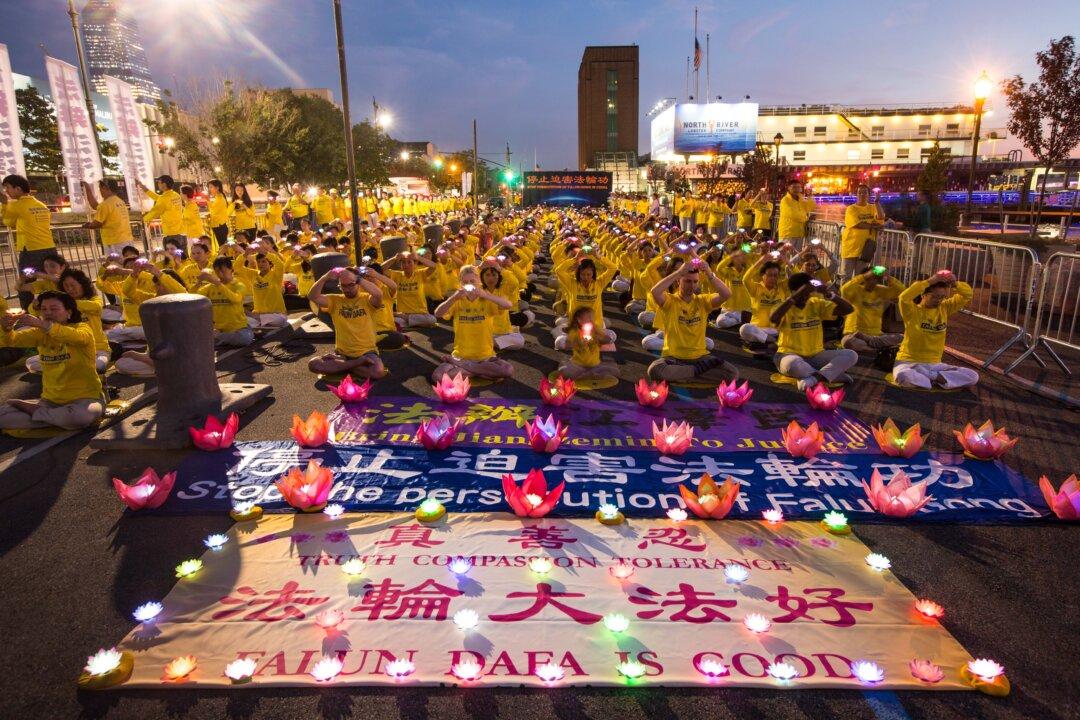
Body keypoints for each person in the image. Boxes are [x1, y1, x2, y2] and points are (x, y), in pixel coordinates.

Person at [0, 291, 103, 430]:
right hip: (50, 401)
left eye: (54, 309)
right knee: (2, 416)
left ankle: (34, 411)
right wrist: (6, 328)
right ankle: (48, 415)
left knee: (80, 417)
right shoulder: (39, 333)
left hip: (85, 399)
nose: (48, 313)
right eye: (44, 309)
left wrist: (44, 325)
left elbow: (77, 337)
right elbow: (11, 341)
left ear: (69, 312)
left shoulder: (82, 328)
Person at [646, 256, 738, 384]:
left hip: (700, 357)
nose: (692, 285)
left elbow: (726, 294)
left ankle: (685, 373)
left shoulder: (703, 301)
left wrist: (710, 274)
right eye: (688, 281)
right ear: (679, 281)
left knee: (732, 373)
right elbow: (655, 291)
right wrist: (678, 272)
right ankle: (695, 372)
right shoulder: (670, 300)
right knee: (655, 370)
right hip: (673, 357)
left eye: (695, 282)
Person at [770, 272, 858, 390]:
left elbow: (848, 309)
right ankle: (831, 375)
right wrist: (795, 296)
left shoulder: (816, 303)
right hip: (789, 355)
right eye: (802, 294)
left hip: (816, 355)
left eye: (808, 294)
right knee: (792, 364)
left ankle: (814, 378)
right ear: (793, 292)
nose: (805, 297)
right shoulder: (783, 305)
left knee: (851, 355)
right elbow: (773, 318)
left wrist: (829, 295)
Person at [893, 270, 979, 389]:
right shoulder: (912, 310)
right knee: (904, 376)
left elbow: (967, 295)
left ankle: (929, 377)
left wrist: (955, 284)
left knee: (973, 376)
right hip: (908, 362)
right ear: (923, 295)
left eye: (942, 297)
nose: (939, 300)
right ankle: (937, 379)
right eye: (935, 296)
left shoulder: (944, 308)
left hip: (934, 364)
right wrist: (930, 281)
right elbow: (903, 297)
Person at [432, 265, 514, 381]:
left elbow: (508, 305)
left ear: (479, 281)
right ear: (460, 283)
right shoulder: (457, 299)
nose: (469, 284)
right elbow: (437, 314)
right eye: (465, 282)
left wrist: (485, 295)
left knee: (507, 370)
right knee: (437, 377)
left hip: (485, 356)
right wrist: (453, 298)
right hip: (461, 355)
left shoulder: (486, 297)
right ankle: (482, 372)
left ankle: (466, 369)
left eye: (472, 281)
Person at [25, 269, 110, 374]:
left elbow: (97, 307)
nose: (69, 289)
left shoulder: (93, 299)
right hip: (68, 352)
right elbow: (33, 310)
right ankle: (71, 369)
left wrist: (65, 302)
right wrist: (35, 306)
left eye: (73, 285)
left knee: (99, 365)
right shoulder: (60, 305)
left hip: (97, 350)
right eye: (66, 286)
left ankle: (66, 369)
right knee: (30, 362)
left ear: (82, 284)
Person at [307, 267, 386, 377]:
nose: (348, 289)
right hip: (342, 354)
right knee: (314, 364)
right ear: (340, 286)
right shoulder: (335, 300)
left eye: (351, 285)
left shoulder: (367, 299)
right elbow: (312, 296)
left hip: (366, 352)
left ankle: (343, 367)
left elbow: (379, 294)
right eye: (344, 286)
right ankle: (355, 364)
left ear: (358, 284)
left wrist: (357, 278)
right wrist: (324, 278)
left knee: (377, 372)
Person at [2, 174, 56, 310]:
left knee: (25, 283)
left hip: (31, 250)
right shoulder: (41, 205)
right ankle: (55, 311)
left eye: (7, 188)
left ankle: (26, 314)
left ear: (18, 189)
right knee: (52, 284)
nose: (6, 191)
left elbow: (7, 221)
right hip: (50, 248)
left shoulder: (17, 205)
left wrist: (4, 204)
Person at [840, 268, 905, 356]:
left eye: (876, 279)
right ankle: (877, 350)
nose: (874, 282)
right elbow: (844, 289)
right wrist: (865, 275)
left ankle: (871, 346)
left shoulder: (880, 290)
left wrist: (888, 277)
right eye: (871, 278)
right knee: (848, 341)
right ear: (865, 279)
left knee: (902, 338)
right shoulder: (856, 290)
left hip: (876, 336)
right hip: (855, 334)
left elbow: (901, 291)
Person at [195, 257, 254, 347]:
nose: (220, 275)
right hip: (220, 329)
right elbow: (194, 295)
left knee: (243, 338)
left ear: (232, 270)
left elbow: (235, 299)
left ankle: (220, 338)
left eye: (223, 271)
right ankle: (222, 338)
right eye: (217, 272)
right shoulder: (210, 287)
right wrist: (198, 282)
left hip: (238, 329)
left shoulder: (239, 285)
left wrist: (218, 283)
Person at [558, 306, 619, 380]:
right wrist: (579, 342)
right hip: (578, 364)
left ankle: (586, 375)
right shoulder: (574, 332)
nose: (591, 319)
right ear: (578, 319)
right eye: (588, 317)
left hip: (595, 364)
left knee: (614, 371)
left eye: (592, 317)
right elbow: (567, 346)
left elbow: (608, 340)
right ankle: (589, 375)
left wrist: (598, 337)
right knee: (564, 371)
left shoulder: (595, 330)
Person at [840, 184, 885, 280]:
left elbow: (881, 218)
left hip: (866, 249)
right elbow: (857, 224)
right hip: (850, 248)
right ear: (856, 195)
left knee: (860, 278)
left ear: (869, 194)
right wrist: (874, 226)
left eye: (865, 192)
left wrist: (877, 202)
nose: (862, 194)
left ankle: (857, 295)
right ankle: (844, 295)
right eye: (859, 192)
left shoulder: (873, 207)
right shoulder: (851, 209)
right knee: (846, 277)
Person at [479, 258, 525, 351]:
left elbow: (515, 282)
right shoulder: (478, 290)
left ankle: (489, 342)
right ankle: (487, 341)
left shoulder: (503, 290)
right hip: (486, 331)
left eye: (494, 275)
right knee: (519, 342)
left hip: (503, 331)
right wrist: (480, 267)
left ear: (499, 276)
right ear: (482, 277)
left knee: (520, 340)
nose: (490, 278)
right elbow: (466, 278)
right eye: (487, 275)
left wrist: (500, 269)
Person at [384, 250, 438, 326]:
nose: (406, 265)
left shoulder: (420, 274)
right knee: (394, 322)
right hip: (403, 314)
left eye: (409, 262)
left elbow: (434, 266)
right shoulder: (397, 275)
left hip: (419, 314)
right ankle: (411, 321)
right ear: (401, 265)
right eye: (403, 262)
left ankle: (408, 320)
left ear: (415, 264)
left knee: (432, 320)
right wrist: (394, 258)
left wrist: (418, 257)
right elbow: (380, 269)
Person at [80, 178, 133, 255]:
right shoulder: (120, 201)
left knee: (116, 265)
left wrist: (87, 225)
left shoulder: (105, 205)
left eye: (100, 188)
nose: (100, 191)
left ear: (105, 188)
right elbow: (96, 206)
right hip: (127, 239)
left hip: (114, 242)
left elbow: (97, 223)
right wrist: (87, 188)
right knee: (128, 263)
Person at [139, 175, 186, 250]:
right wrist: (144, 189)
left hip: (171, 234)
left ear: (164, 184)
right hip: (181, 232)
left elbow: (155, 212)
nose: (158, 185)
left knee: (172, 259)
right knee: (183, 258)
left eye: (159, 183)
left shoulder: (164, 199)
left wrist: (143, 219)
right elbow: (158, 198)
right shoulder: (175, 195)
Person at [778, 180, 812, 247]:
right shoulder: (785, 200)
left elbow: (809, 207)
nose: (797, 189)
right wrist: (807, 218)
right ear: (788, 188)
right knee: (784, 255)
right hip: (788, 233)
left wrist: (810, 196)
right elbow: (793, 215)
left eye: (798, 187)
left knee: (797, 256)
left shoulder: (801, 199)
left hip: (799, 233)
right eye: (794, 187)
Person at [206, 179, 229, 252]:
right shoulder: (218, 197)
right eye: (209, 187)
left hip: (219, 226)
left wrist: (208, 200)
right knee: (222, 247)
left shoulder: (220, 198)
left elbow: (213, 211)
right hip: (219, 225)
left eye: (211, 187)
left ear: (217, 188)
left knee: (223, 248)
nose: (209, 189)